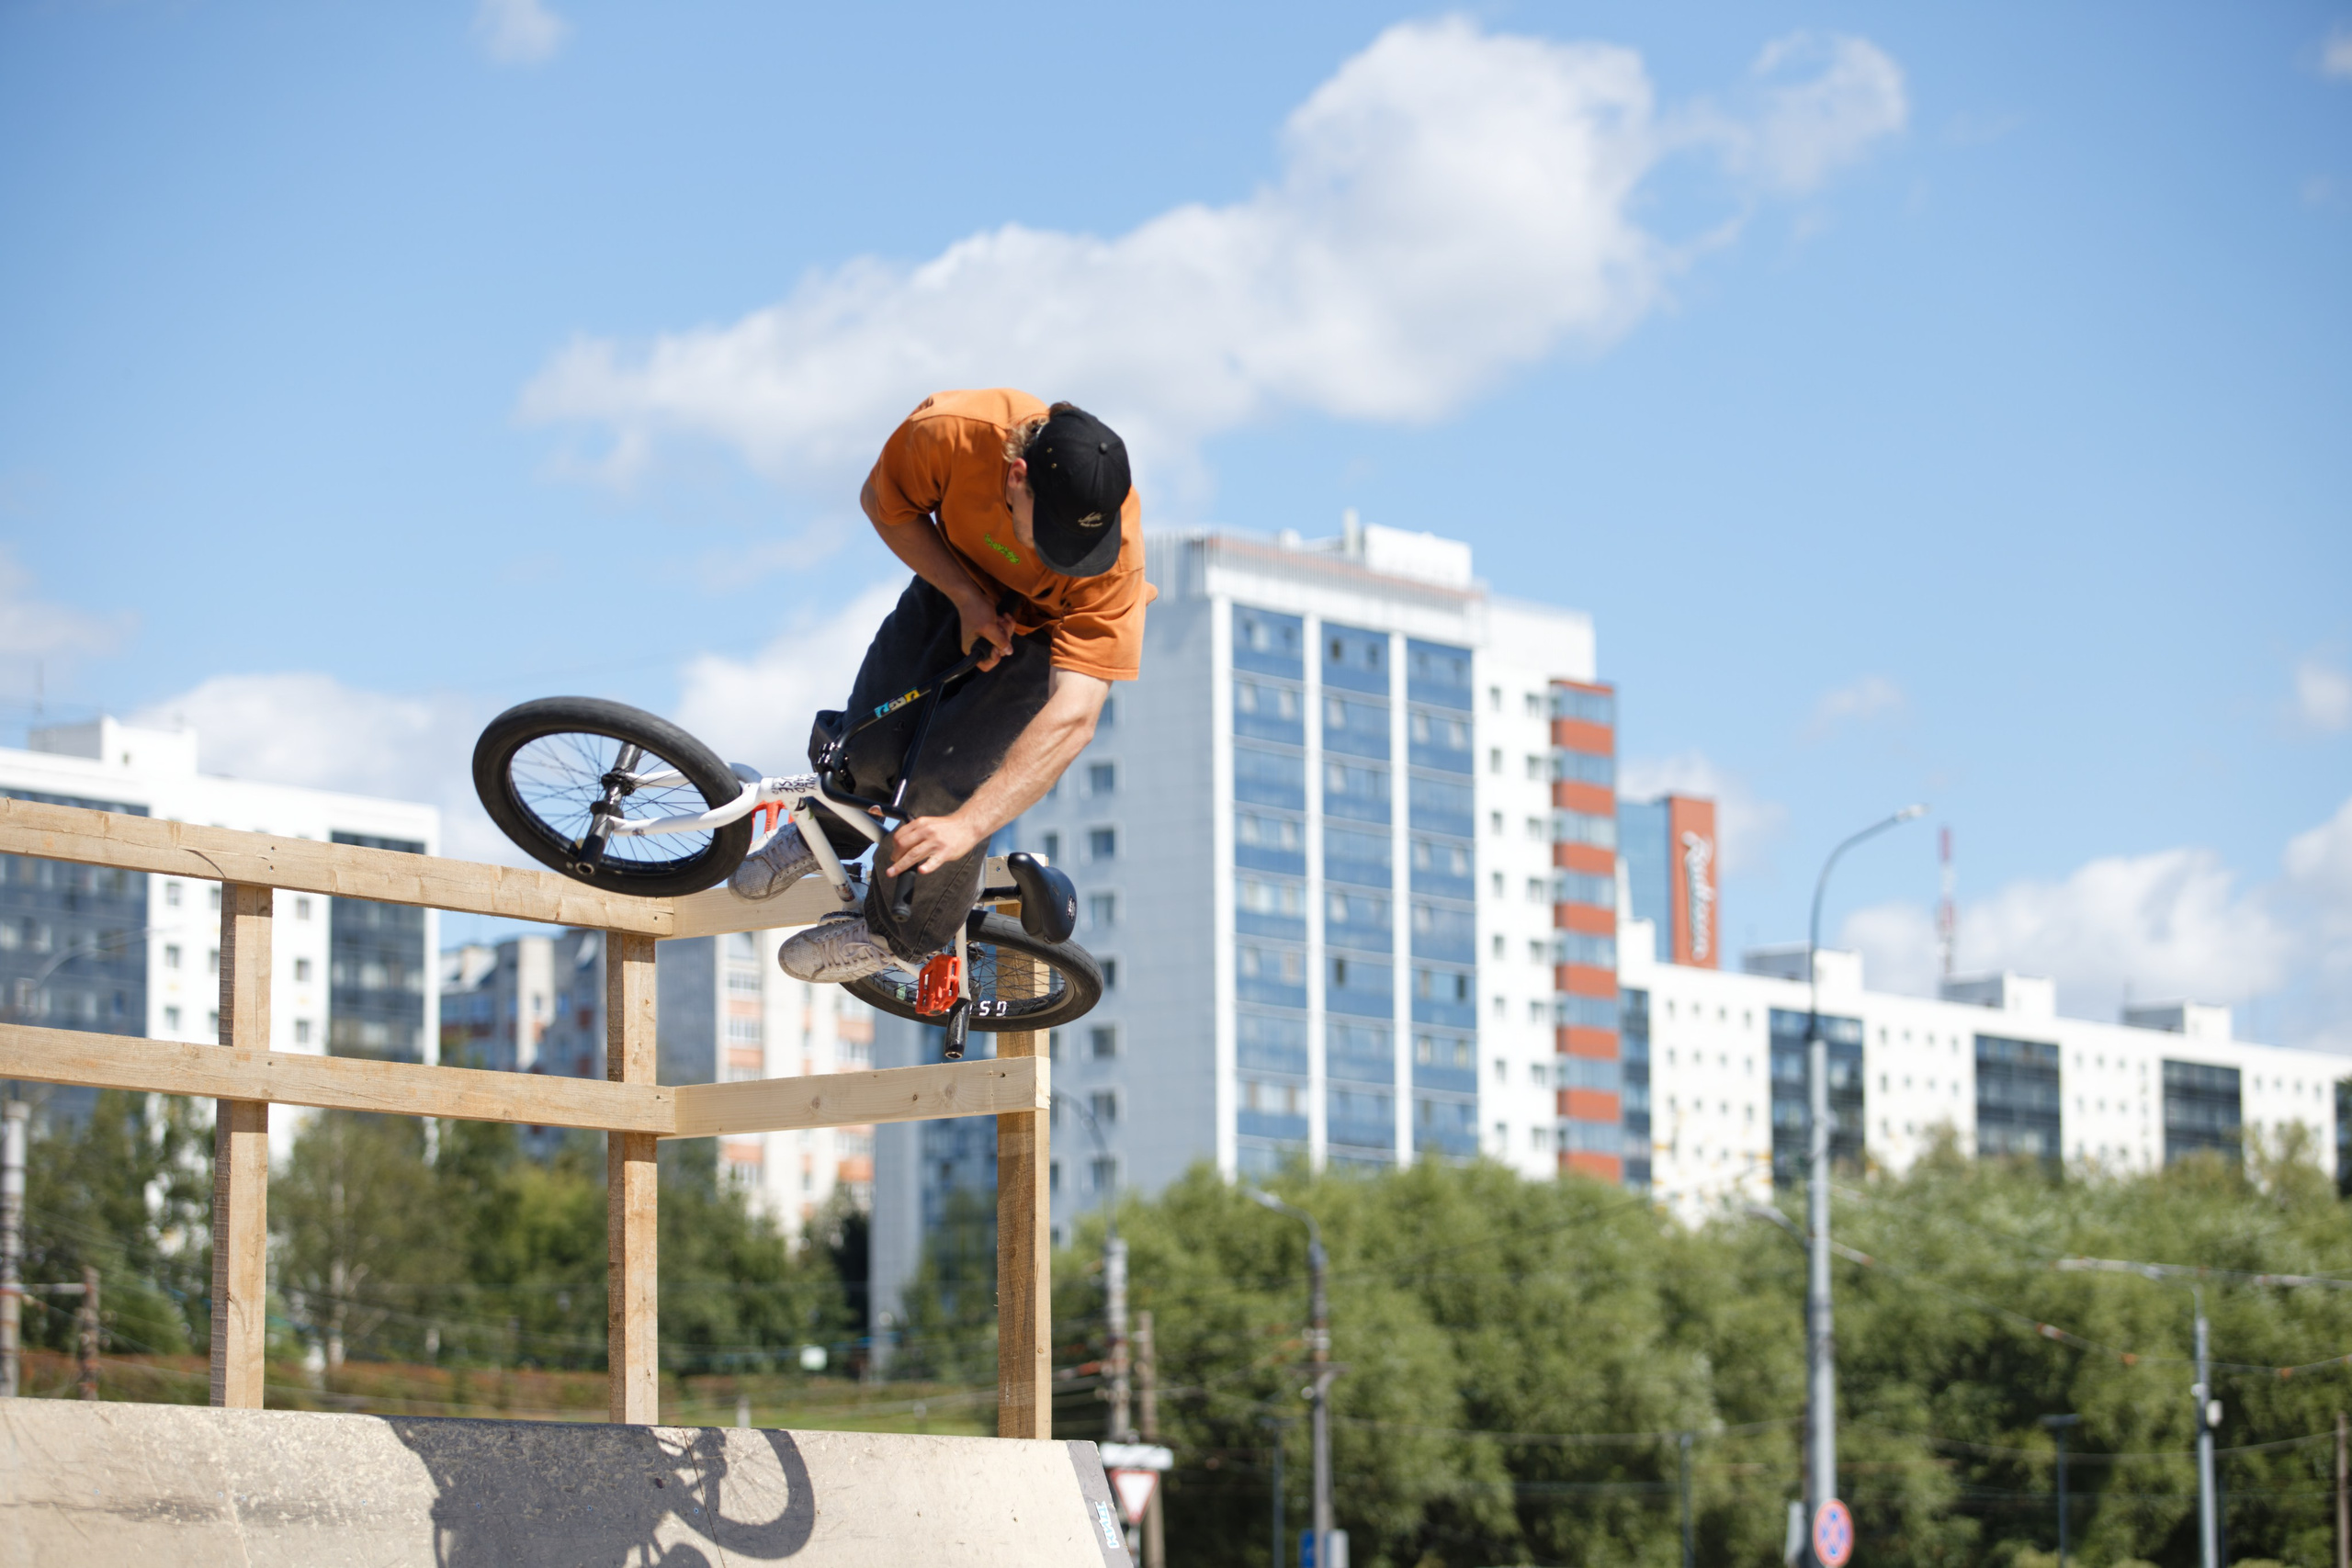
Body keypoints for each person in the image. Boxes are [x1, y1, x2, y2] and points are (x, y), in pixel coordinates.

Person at [731, 389, 1151, 982]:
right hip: (956, 574)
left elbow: (1075, 714)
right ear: (1016, 475)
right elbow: (886, 505)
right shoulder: (950, 433)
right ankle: (829, 832)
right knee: (871, 738)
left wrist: (968, 824)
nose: (1064, 562)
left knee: (944, 788)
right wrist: (965, 597)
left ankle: (899, 936)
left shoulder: (1116, 564)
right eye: (1054, 541)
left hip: (1043, 638)